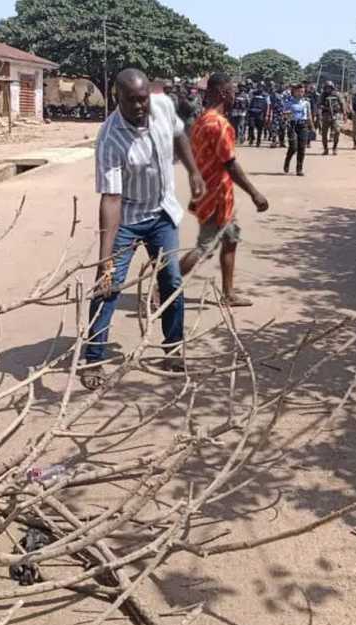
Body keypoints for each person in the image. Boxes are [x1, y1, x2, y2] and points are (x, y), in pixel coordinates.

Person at [82, 69, 207, 390]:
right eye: (131, 100)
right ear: (117, 98)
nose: (140, 106)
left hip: (162, 212)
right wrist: (105, 260)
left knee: (171, 281)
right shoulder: (110, 138)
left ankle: (173, 350)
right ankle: (93, 358)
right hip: (127, 217)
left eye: (143, 99)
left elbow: (179, 135)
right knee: (108, 286)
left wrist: (193, 171)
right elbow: (111, 199)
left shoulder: (161, 105)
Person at [179, 72, 269, 308]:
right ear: (222, 93)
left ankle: (229, 294)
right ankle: (163, 286)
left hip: (213, 192)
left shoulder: (202, 120)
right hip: (216, 196)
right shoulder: (218, 124)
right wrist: (255, 193)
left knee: (230, 239)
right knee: (205, 248)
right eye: (232, 91)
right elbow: (230, 164)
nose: (235, 95)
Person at [283, 83, 312, 176]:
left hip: (303, 125)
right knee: (293, 147)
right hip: (292, 125)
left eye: (302, 91)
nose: (300, 93)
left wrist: (312, 127)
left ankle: (299, 169)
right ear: (294, 92)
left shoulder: (306, 103)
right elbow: (284, 114)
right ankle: (287, 161)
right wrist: (287, 114)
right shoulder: (288, 102)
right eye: (298, 91)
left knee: (302, 148)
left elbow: (309, 116)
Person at [319, 81, 344, 155]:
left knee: (337, 131)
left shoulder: (337, 94)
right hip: (326, 115)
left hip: (336, 115)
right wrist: (326, 108)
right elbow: (319, 104)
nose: (328, 89)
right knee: (324, 133)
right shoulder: (323, 95)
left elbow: (342, 103)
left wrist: (344, 113)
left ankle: (335, 148)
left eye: (329, 88)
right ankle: (325, 149)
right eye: (326, 88)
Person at [247, 82, 269, 147]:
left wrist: (266, 115)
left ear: (263, 87)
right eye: (259, 86)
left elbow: (268, 105)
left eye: (261, 86)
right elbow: (249, 102)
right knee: (251, 126)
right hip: (252, 113)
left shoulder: (266, 95)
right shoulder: (253, 93)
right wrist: (248, 111)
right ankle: (251, 138)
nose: (260, 87)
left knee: (260, 128)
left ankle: (258, 141)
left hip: (260, 114)